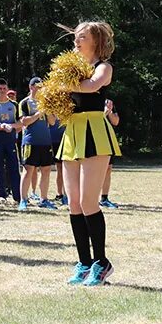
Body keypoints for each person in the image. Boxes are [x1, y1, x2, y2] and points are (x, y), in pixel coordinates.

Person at [56, 22, 119, 286]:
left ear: (96, 40)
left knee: (89, 203)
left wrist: (63, 84)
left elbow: (92, 86)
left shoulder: (103, 67)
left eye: (83, 37)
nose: (77, 40)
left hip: (94, 131)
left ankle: (102, 262)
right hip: (73, 131)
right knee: (74, 203)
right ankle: (83, 262)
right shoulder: (72, 69)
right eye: (76, 37)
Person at [18, 77, 56, 211]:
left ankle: (44, 199)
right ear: (31, 87)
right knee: (28, 170)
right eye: (38, 86)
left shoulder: (46, 103)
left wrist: (48, 110)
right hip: (30, 141)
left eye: (42, 86)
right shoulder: (24, 103)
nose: (40, 89)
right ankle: (23, 200)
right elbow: (24, 122)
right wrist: (38, 113)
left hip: (45, 141)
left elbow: (52, 122)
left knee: (46, 170)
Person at [0, 79, 21, 204]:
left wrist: (11, 126)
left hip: (11, 140)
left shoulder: (14, 105)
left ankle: (17, 195)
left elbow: (20, 123)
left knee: (13, 167)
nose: (2, 91)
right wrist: (0, 127)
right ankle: (1, 195)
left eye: (4, 88)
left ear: (7, 90)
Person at [98, 98, 123, 208]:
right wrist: (104, 113)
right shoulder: (92, 101)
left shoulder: (108, 102)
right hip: (96, 139)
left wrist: (110, 111)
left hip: (108, 140)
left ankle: (104, 198)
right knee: (96, 170)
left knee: (108, 168)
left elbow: (116, 122)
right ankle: (91, 198)